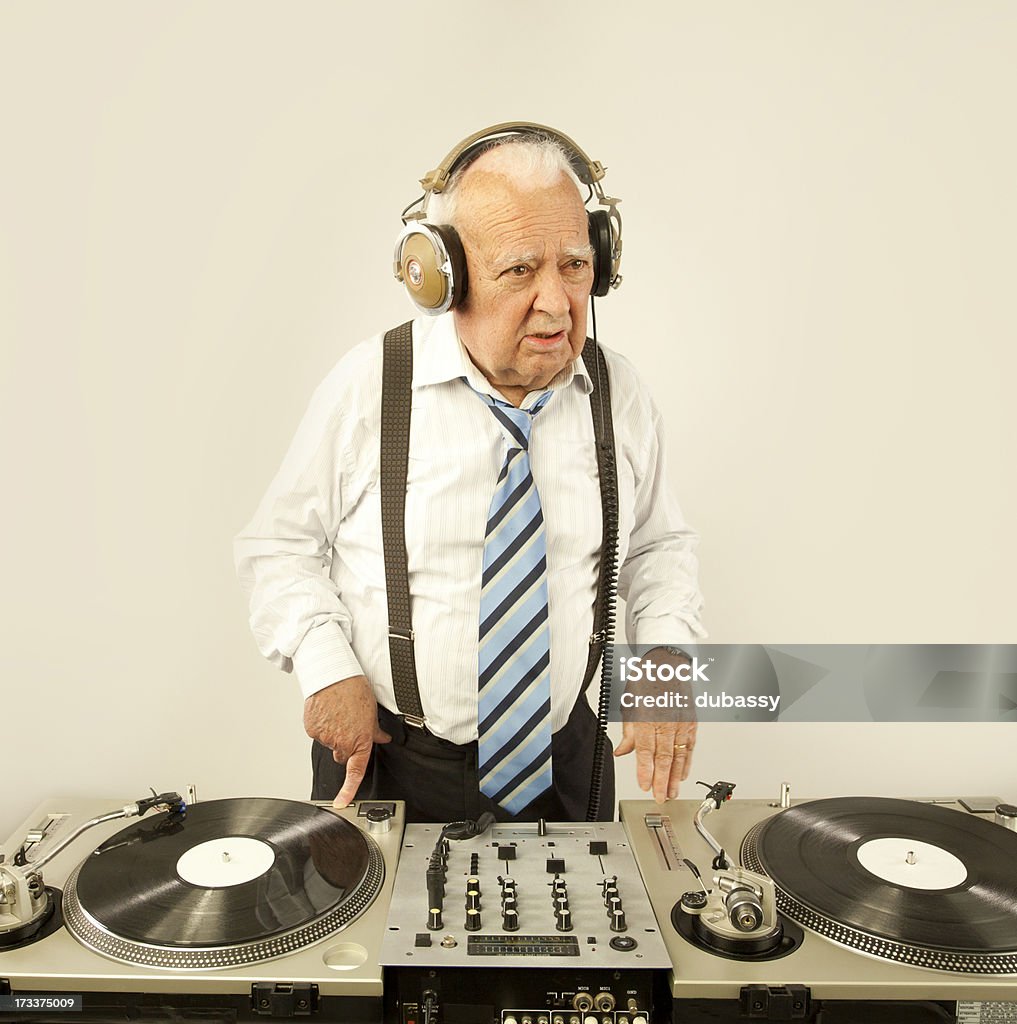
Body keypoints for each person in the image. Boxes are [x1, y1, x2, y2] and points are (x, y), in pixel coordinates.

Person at [235, 124, 705, 823]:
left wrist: (666, 657)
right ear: (441, 277)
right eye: (520, 270)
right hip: (394, 764)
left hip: (565, 764)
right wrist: (326, 667)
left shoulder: (618, 393)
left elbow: (656, 547)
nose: (554, 301)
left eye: (574, 266)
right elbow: (279, 547)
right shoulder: (370, 385)